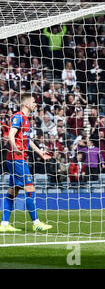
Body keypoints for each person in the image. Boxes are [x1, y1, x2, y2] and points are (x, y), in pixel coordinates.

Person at [0, 93, 53, 232]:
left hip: (16, 158)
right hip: (16, 158)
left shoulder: (27, 120)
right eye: (34, 102)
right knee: (30, 188)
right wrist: (16, 148)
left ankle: (4, 224)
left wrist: (40, 152)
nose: (36, 104)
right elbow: (10, 134)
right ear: (26, 104)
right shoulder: (18, 117)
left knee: (13, 190)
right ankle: (36, 223)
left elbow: (27, 140)